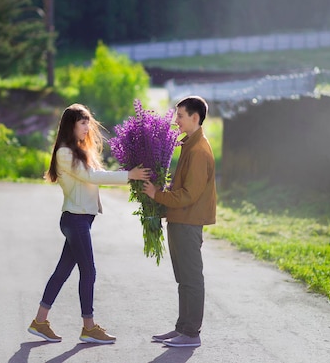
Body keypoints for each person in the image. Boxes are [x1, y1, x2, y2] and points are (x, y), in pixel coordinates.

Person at [28, 103, 150, 344]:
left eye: (88, 123)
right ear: (70, 125)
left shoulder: (79, 151)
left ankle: (39, 322)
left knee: (62, 272)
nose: (87, 127)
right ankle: (89, 327)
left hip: (80, 220)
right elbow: (91, 177)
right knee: (89, 271)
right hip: (75, 220)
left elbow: (94, 176)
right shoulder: (64, 153)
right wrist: (129, 175)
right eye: (83, 123)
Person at [142, 96, 217, 348]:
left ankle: (191, 334)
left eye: (181, 116)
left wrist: (157, 195)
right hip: (179, 220)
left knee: (191, 278)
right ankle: (182, 329)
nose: (176, 121)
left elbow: (189, 195)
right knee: (183, 278)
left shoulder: (198, 150)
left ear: (195, 118)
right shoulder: (189, 146)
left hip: (188, 222)